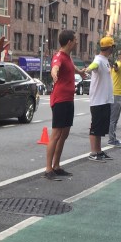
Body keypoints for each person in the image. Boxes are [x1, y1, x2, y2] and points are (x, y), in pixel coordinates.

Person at [44, 29, 85, 180]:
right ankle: (48, 169)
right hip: (60, 100)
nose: (76, 41)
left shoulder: (68, 57)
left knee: (64, 134)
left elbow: (71, 67)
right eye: (75, 39)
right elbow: (56, 66)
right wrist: (54, 73)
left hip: (69, 99)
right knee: (56, 134)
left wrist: (80, 72)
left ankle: (57, 165)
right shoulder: (59, 56)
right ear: (69, 42)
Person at [85, 36, 115, 161]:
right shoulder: (99, 60)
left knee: (101, 128)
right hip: (98, 100)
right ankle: (93, 152)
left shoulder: (106, 60)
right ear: (111, 48)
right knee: (95, 127)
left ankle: (98, 151)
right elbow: (94, 65)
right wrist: (88, 69)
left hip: (105, 99)